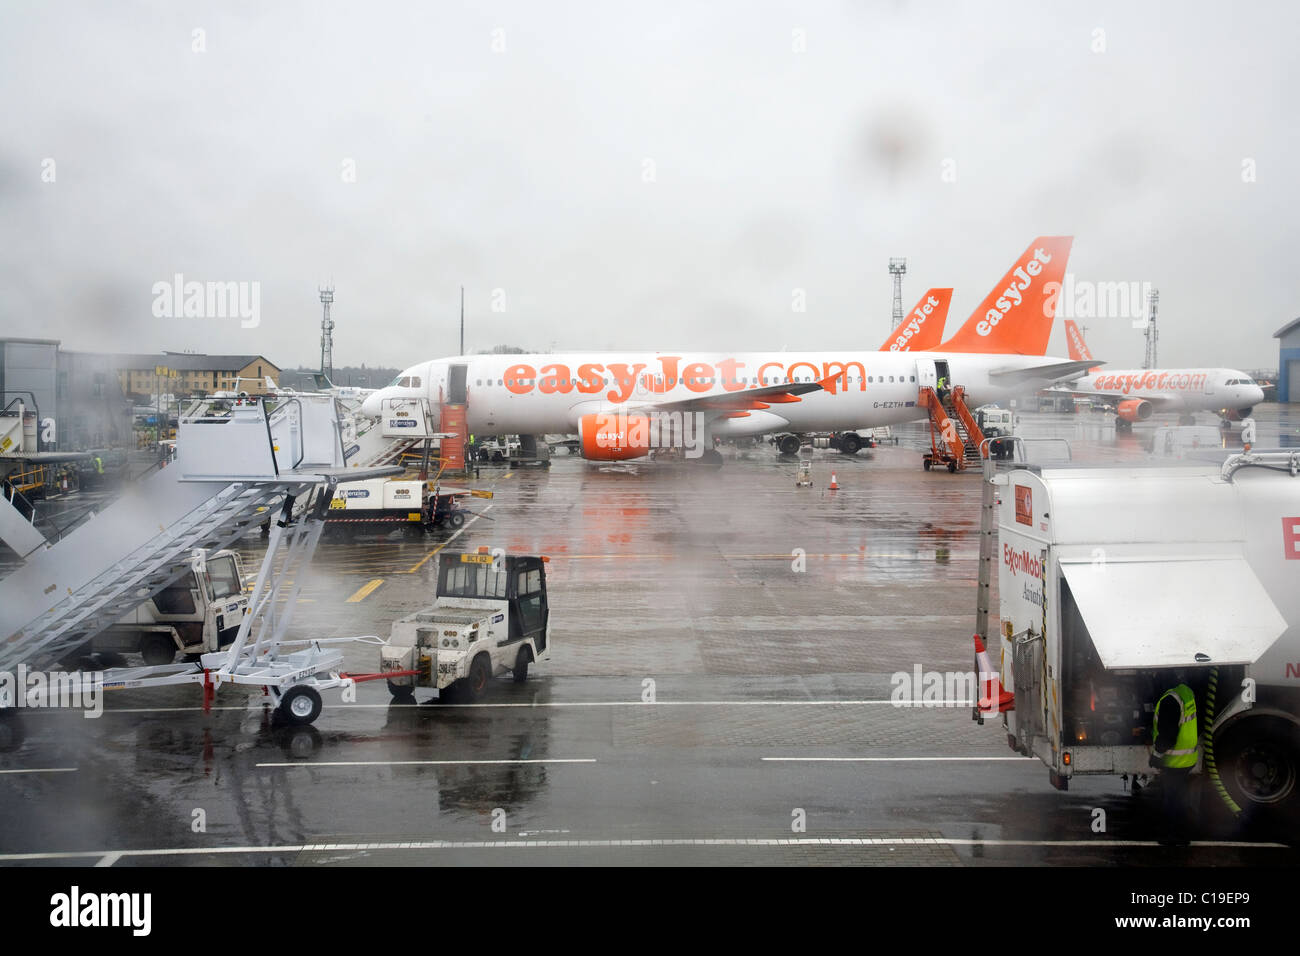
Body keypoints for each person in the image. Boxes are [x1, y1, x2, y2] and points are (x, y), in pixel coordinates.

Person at [1150, 678, 1200, 844]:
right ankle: (1183, 835)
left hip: (1174, 760)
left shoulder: (1169, 701)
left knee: (1171, 799)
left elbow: (1168, 736)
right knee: (1180, 797)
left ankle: (1170, 837)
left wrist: (1156, 755)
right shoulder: (1186, 692)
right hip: (1187, 758)